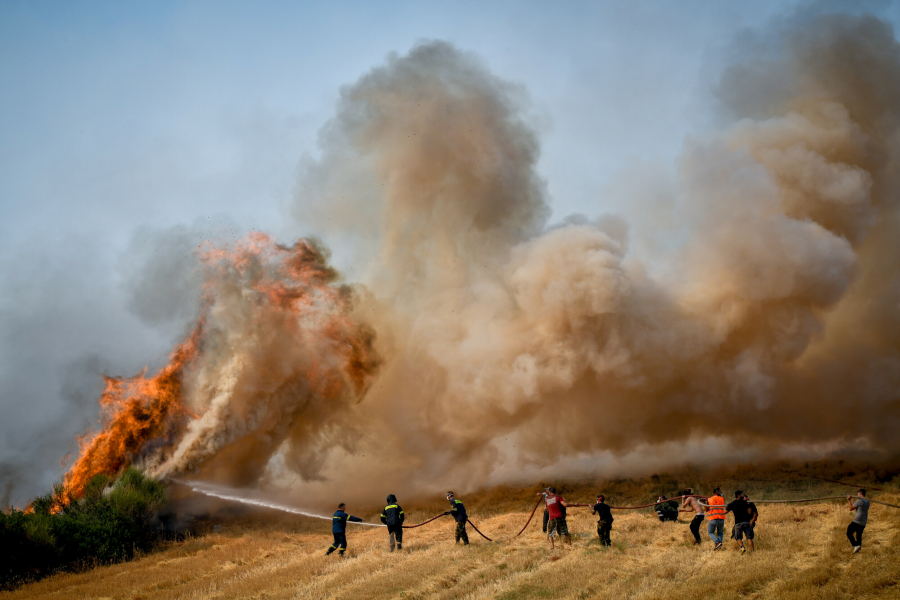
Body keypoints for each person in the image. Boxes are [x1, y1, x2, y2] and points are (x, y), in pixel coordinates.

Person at [847, 488, 870, 553]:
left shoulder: (859, 501)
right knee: (858, 535)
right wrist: (851, 501)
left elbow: (851, 508)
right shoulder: (867, 501)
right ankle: (858, 550)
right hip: (863, 522)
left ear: (860, 493)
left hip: (857, 521)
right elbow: (856, 505)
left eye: (857, 493)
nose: (857, 495)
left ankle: (855, 545)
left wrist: (849, 500)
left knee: (849, 532)